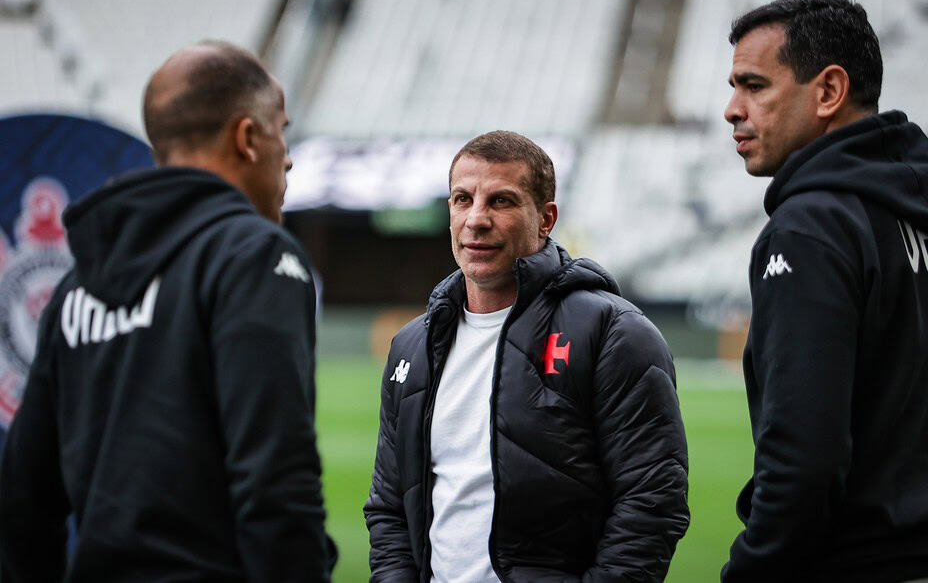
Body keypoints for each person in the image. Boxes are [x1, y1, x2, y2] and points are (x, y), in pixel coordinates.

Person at [0, 41, 337, 581]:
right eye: (281, 130)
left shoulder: (75, 287)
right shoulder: (254, 257)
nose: (289, 156)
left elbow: (23, 496)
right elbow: (275, 479)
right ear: (247, 138)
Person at [721, 0, 928, 581]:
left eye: (754, 86)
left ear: (829, 91)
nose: (732, 109)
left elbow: (804, 458)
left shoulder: (810, 229)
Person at [364, 130, 689, 582]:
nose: (476, 219)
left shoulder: (614, 333)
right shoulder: (412, 346)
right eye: (462, 199)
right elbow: (389, 505)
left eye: (501, 201)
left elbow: (652, 501)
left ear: (546, 219)